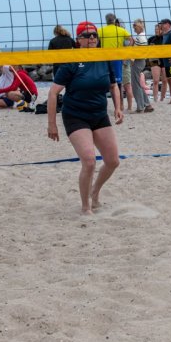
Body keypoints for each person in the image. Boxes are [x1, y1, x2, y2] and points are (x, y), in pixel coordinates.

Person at [47, 21, 123, 215]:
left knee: (113, 161)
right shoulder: (72, 61)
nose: (92, 38)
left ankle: (94, 191)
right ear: (78, 39)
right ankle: (85, 207)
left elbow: (113, 86)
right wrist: (52, 125)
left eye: (94, 35)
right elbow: (53, 93)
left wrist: (118, 108)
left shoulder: (103, 58)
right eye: (87, 35)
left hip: (99, 114)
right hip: (75, 115)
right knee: (89, 161)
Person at [98, 13, 133, 111]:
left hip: (105, 59)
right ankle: (120, 106)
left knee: (106, 83)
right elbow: (131, 40)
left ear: (106, 20)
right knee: (118, 84)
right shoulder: (121, 30)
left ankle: (114, 106)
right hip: (117, 58)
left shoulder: (100, 30)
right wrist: (125, 51)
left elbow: (94, 42)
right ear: (114, 20)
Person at [130, 18, 154, 113]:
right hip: (140, 61)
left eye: (135, 26)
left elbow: (138, 52)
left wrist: (132, 60)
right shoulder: (141, 36)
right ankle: (147, 105)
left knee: (135, 85)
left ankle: (140, 107)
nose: (134, 28)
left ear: (140, 26)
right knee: (138, 84)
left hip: (138, 62)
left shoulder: (140, 37)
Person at [147, 23, 167, 102]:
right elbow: (147, 51)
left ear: (162, 30)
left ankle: (162, 98)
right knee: (155, 81)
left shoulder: (166, 39)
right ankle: (155, 99)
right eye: (155, 29)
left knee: (165, 81)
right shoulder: (151, 39)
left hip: (164, 60)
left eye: (158, 29)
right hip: (154, 60)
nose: (156, 31)